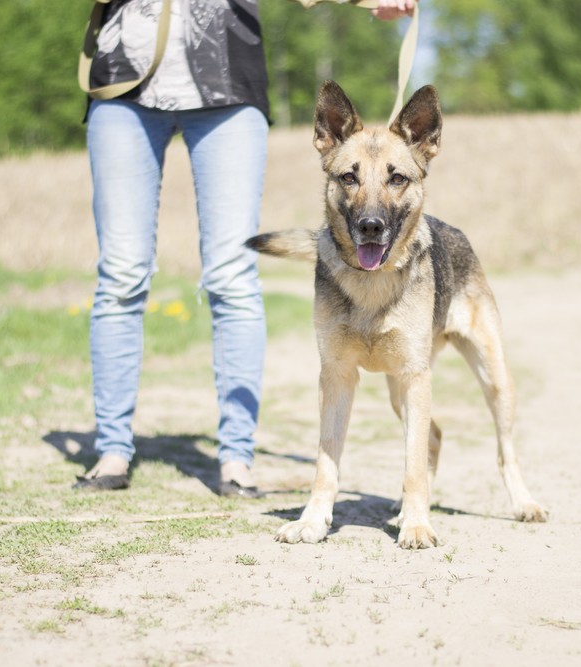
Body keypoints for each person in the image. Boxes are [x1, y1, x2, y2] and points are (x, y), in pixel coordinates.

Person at [74, 0, 417, 496]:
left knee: (232, 276)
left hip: (227, 84)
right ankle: (111, 450)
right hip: (122, 83)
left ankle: (236, 458)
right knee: (122, 272)